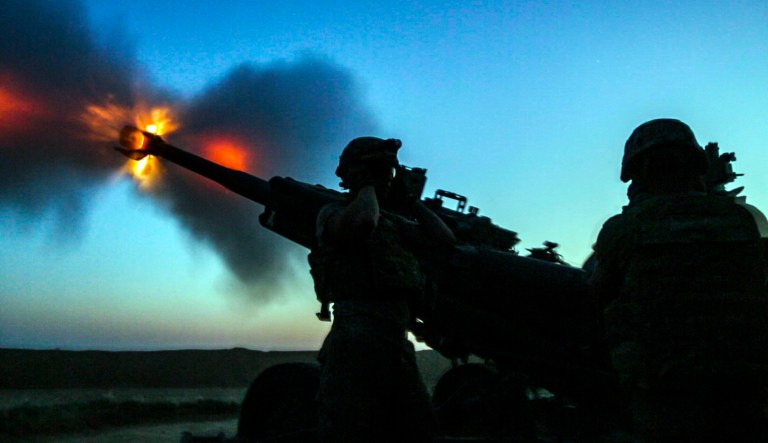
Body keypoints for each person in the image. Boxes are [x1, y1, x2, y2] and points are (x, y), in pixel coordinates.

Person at [589, 118, 768, 442]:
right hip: (746, 392)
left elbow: (595, 299)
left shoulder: (622, 230)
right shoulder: (740, 221)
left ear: (639, 171)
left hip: (663, 398)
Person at [309, 137, 455, 442]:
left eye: (390, 176)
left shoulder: (392, 221)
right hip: (356, 340)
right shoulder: (334, 212)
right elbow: (362, 223)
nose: (387, 182)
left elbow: (443, 240)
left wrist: (411, 201)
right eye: (381, 174)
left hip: (394, 339)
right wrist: (366, 185)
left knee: (420, 430)